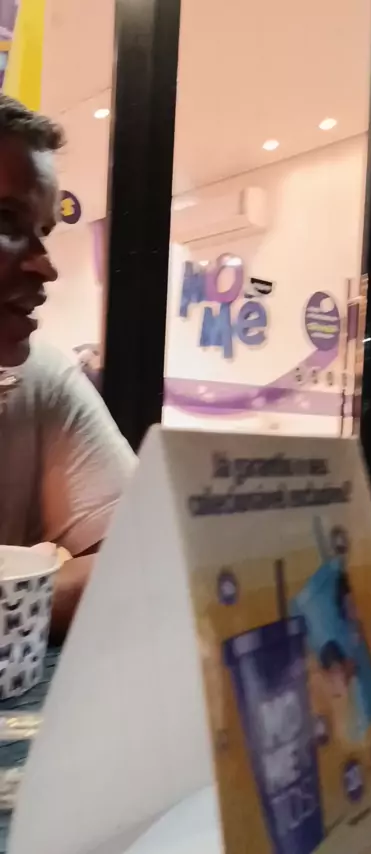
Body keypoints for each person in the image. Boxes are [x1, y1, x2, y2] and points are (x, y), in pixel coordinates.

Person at [0, 94, 136, 640]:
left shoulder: (44, 380)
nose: (46, 267)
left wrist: (14, 605)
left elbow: (142, 557)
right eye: (6, 221)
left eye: (44, 232)